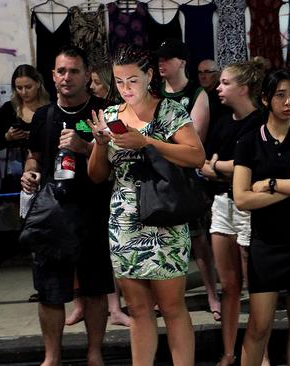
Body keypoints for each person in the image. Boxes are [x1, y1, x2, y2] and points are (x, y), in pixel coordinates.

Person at [87, 44, 205, 365]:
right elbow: (97, 176)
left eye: (133, 81)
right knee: (138, 310)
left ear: (149, 75)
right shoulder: (110, 116)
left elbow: (197, 156)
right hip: (123, 221)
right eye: (120, 81)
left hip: (164, 216)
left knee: (171, 307)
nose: (125, 89)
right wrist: (99, 144)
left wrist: (147, 142)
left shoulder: (170, 111)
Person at [21, 45, 113, 366]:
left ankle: (95, 354)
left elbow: (117, 161)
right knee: (49, 290)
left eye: (74, 71)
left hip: (94, 212)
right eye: (61, 71)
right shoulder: (43, 116)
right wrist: (30, 173)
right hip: (52, 215)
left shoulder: (104, 111)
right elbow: (35, 156)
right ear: (52, 76)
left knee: (94, 289)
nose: (67, 77)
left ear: (88, 75)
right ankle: (51, 357)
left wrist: (85, 146)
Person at [233, 69, 290, 366]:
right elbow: (242, 198)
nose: (289, 102)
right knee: (260, 324)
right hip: (267, 244)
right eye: (281, 95)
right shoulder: (249, 141)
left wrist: (273, 184)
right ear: (265, 99)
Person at [199, 60, 265, 366]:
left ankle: (258, 352)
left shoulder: (260, 122)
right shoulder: (223, 122)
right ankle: (228, 352)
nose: (219, 88)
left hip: (248, 205)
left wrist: (222, 166)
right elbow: (204, 164)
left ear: (244, 88)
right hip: (222, 204)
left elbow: (248, 168)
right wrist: (226, 168)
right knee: (229, 285)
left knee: (256, 284)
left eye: (225, 83)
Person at [64, 63, 130, 328]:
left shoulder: (112, 111)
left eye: (95, 82)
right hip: (79, 187)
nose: (91, 86)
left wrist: (86, 146)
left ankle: (115, 308)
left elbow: (120, 152)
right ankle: (82, 304)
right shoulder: (80, 109)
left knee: (106, 255)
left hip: (110, 191)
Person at [156, 38, 219, 316]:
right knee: (160, 238)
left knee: (198, 241)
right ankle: (166, 295)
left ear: (181, 61)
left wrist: (156, 141)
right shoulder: (154, 92)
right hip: (158, 175)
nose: (161, 63)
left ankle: (211, 294)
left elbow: (194, 142)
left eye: (167, 58)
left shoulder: (197, 94)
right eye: (159, 58)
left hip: (186, 177)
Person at [0, 64, 49, 192]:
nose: (24, 92)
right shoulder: (8, 109)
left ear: (38, 84)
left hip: (43, 170)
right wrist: (7, 137)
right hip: (14, 175)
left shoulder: (50, 109)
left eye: (28, 87)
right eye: (19, 88)